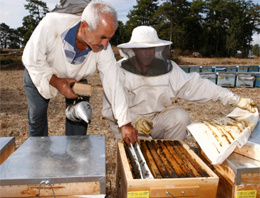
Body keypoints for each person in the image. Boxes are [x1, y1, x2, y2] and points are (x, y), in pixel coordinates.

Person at [102, 25, 257, 145]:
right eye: (143, 49)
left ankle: (172, 155)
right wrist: (132, 121)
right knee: (141, 161)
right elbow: (109, 108)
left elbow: (196, 85)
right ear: (133, 50)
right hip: (126, 124)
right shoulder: (118, 71)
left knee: (180, 116)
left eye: (151, 48)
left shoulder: (168, 68)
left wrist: (235, 100)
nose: (148, 53)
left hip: (156, 120)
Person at [22, 1, 134, 137]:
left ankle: (76, 152)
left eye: (109, 39)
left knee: (81, 115)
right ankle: (37, 152)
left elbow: (113, 83)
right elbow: (31, 59)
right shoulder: (51, 24)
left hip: (76, 78)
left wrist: (125, 123)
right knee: (37, 115)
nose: (105, 44)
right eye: (102, 37)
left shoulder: (104, 48)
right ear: (84, 26)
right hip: (40, 71)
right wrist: (57, 81)